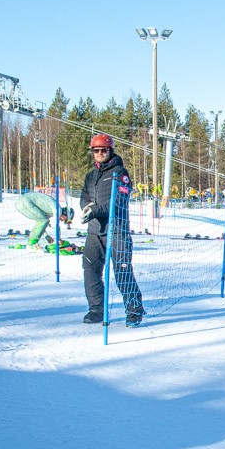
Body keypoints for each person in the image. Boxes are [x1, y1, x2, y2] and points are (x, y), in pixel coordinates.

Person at [79, 133, 145, 327]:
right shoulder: (90, 176)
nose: (99, 153)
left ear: (110, 151)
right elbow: (84, 197)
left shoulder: (120, 174)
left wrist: (95, 210)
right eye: (96, 151)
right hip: (95, 231)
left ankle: (134, 311)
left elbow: (118, 201)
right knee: (90, 269)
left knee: (122, 271)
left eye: (103, 150)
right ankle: (96, 310)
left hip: (117, 230)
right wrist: (87, 208)